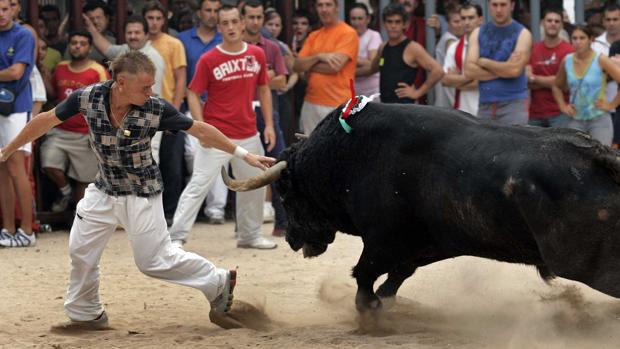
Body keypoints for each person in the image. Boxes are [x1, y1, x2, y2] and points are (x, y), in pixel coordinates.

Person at [0, 50, 274, 328]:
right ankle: (86, 314)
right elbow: (45, 120)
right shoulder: (87, 97)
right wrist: (8, 150)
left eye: (151, 85)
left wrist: (243, 154)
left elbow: (200, 129)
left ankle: (217, 281)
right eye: (145, 86)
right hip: (104, 189)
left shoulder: (156, 108)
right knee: (80, 251)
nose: (151, 91)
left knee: (153, 261)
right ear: (121, 82)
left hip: (141, 193)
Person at [169, 5, 278, 250]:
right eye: (224, 23)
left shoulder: (256, 54)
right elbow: (193, 93)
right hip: (217, 134)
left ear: (242, 24)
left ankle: (249, 235)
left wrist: (269, 124)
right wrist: (201, 128)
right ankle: (176, 237)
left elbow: (264, 89)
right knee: (199, 184)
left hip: (249, 131)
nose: (230, 27)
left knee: (254, 184)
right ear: (219, 27)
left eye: (233, 22)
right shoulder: (209, 59)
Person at [41, 30, 109, 213]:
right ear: (69, 45)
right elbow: (54, 95)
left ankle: (80, 220)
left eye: (82, 43)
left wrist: (97, 133)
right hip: (60, 130)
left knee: (84, 181)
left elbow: (106, 103)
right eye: (74, 43)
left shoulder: (98, 70)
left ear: (89, 47)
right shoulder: (61, 67)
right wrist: (42, 72)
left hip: (85, 133)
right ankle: (65, 192)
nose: (77, 46)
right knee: (48, 163)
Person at [177, 0, 226, 224]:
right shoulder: (184, 39)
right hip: (192, 106)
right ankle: (195, 207)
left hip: (218, 108)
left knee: (219, 158)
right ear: (199, 12)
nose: (212, 15)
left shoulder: (225, 40)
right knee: (193, 156)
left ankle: (216, 209)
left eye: (216, 11)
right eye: (208, 10)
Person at [242, 0, 288, 236]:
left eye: (259, 17)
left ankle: (282, 221)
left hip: (268, 110)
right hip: (240, 111)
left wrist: (254, 78)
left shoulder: (272, 47)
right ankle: (244, 225)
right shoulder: (232, 46)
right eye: (251, 17)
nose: (256, 22)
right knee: (241, 165)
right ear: (243, 19)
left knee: (277, 163)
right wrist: (263, 76)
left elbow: (282, 81)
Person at [143, 1, 188, 223]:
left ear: (164, 20)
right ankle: (151, 212)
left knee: (172, 163)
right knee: (150, 161)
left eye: (158, 18)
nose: (154, 22)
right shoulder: (138, 42)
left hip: (168, 109)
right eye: (150, 18)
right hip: (144, 112)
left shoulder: (174, 43)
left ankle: (170, 212)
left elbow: (181, 79)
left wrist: (176, 113)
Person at [293, 0, 358, 134]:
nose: (324, 9)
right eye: (320, 5)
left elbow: (334, 67)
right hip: (310, 103)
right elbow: (297, 66)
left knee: (337, 152)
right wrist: (319, 56)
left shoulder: (348, 33)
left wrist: (309, 65)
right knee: (310, 151)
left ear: (337, 8)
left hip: (338, 104)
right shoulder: (313, 36)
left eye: (328, 5)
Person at [0, 0, 35, 247]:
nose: (1, 14)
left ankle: (27, 230)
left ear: (13, 9)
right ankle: (8, 228)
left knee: (16, 167)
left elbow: (16, 72)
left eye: (4, 8)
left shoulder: (24, 34)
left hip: (16, 107)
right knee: (1, 170)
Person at [465, 0, 532, 125]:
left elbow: (514, 71)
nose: (499, 10)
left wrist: (484, 62)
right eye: (495, 5)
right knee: (484, 144)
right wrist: (504, 68)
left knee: (513, 144)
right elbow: (469, 71)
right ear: (489, 5)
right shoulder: (477, 33)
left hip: (513, 104)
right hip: (485, 104)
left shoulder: (523, 33)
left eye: (503, 4)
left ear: (512, 6)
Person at [552, 25, 620, 146]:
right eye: (574, 38)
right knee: (575, 160)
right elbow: (556, 85)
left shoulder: (600, 59)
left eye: (582, 38)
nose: (578, 42)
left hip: (599, 119)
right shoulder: (567, 60)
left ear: (590, 39)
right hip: (575, 119)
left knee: (601, 160)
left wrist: (611, 105)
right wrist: (562, 106)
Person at [366, 3, 443, 104]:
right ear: (384, 24)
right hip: (385, 107)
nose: (393, 26)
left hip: (405, 109)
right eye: (390, 22)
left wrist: (417, 92)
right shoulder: (383, 47)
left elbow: (438, 71)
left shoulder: (412, 48)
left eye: (397, 22)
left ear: (405, 24)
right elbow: (374, 68)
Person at [85, 15, 164, 97]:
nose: (133, 36)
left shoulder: (153, 57)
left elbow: (152, 94)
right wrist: (89, 25)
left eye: (137, 33)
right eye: (129, 33)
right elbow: (106, 48)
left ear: (147, 35)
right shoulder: (125, 49)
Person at [527, 8, 574, 127]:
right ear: (543, 23)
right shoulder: (533, 49)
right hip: (535, 115)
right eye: (549, 20)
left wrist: (534, 78)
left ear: (562, 25)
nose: (553, 23)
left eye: (557, 21)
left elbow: (565, 84)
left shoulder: (569, 51)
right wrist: (554, 81)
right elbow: (526, 82)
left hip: (560, 113)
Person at [442, 3, 483, 116]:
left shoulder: (490, 46)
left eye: (471, 18)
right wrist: (471, 77)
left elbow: (486, 81)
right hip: (462, 111)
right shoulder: (454, 47)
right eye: (463, 18)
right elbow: (445, 80)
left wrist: (457, 81)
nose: (466, 22)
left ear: (480, 19)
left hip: (486, 110)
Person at [433, 4, 463, 108]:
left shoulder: (456, 39)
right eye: (456, 21)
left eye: (461, 20)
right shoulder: (449, 40)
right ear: (448, 23)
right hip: (448, 104)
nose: (460, 24)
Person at [349, 2, 381, 98]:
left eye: (360, 18)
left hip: (372, 93)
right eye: (353, 19)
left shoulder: (373, 35)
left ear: (368, 19)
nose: (357, 22)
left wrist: (350, 60)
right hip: (352, 93)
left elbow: (373, 65)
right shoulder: (346, 37)